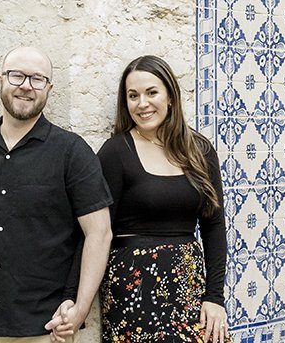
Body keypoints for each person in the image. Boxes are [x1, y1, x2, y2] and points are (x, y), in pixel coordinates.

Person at [0, 46, 113, 343]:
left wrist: (80, 310)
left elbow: (99, 233)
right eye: (16, 75)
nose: (25, 85)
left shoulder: (72, 152)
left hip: (43, 329)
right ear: (0, 80)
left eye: (36, 79)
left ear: (49, 88)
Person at [97, 55, 229, 343]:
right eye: (133, 96)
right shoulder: (115, 153)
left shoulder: (200, 151)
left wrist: (215, 297)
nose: (142, 103)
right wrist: (75, 298)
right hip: (133, 291)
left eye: (151, 92)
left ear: (170, 96)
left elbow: (214, 226)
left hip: (189, 287)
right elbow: (96, 233)